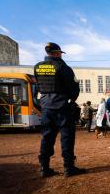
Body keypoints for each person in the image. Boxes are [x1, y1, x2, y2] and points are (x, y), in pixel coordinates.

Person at [34, 42, 86, 177]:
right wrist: (70, 100)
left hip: (46, 106)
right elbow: (74, 88)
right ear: (57, 53)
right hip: (62, 106)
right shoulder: (63, 67)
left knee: (47, 137)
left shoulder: (37, 67)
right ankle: (68, 168)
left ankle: (44, 168)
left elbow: (38, 87)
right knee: (67, 137)